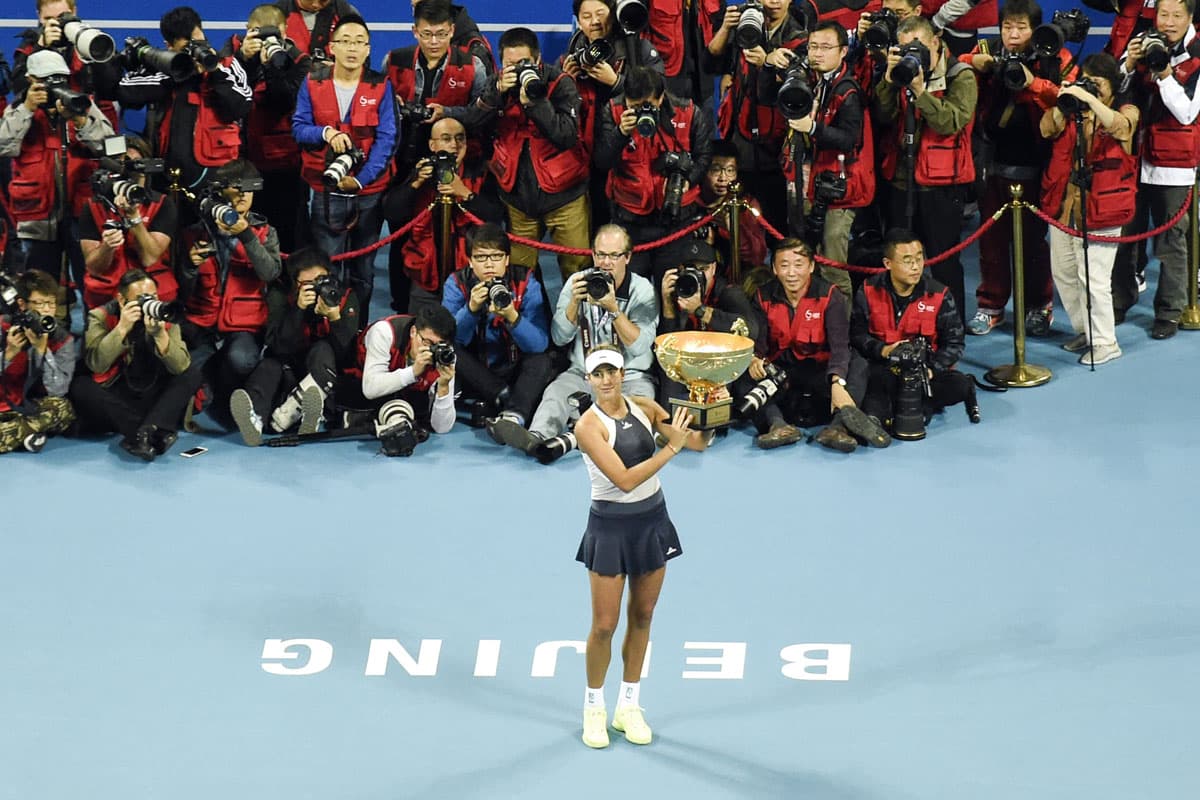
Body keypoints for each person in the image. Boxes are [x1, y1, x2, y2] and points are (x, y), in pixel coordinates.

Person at [573, 344, 709, 749]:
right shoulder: (588, 427)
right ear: (589, 380)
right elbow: (624, 480)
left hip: (652, 521)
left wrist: (710, 409)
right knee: (604, 625)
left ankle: (628, 705)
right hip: (611, 529)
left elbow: (697, 442)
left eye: (612, 371)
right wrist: (672, 448)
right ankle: (594, 707)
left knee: (644, 616)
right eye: (598, 374)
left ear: (622, 372)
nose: (607, 379)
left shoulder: (646, 407)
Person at [489, 224, 658, 464]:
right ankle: (537, 439)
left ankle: (573, 437)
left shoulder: (642, 290)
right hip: (584, 372)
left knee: (639, 416)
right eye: (600, 254)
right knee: (555, 394)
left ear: (627, 257)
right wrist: (573, 306)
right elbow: (559, 338)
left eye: (614, 255)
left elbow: (640, 346)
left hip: (629, 376)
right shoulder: (577, 282)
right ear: (592, 254)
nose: (606, 262)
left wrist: (613, 309)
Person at [961, 0, 1074, 337]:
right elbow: (955, 65)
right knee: (991, 242)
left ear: (1035, 30)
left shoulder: (1056, 58)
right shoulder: (986, 50)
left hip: (1039, 167)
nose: (1012, 35)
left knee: (1035, 246)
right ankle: (991, 306)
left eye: (1021, 28)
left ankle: (1039, 307)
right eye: (1007, 27)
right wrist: (975, 63)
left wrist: (1031, 83)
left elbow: (1066, 99)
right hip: (993, 163)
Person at [873, 15, 978, 323]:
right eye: (905, 48)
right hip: (900, 181)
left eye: (917, 46)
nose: (911, 54)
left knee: (943, 263)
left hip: (941, 187)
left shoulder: (961, 75)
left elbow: (951, 122)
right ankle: (903, 323)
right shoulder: (899, 73)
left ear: (935, 41)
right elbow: (882, 116)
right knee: (899, 260)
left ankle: (950, 327)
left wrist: (921, 93)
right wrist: (889, 81)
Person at [292, 14, 397, 314]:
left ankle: (357, 331)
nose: (352, 48)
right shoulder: (312, 83)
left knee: (364, 269)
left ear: (368, 49)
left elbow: (387, 140)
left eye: (359, 42)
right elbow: (298, 128)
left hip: (368, 192)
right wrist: (325, 132)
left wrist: (361, 180)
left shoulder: (381, 86)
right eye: (345, 41)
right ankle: (328, 329)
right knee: (328, 266)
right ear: (332, 47)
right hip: (324, 190)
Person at [1040, 54, 1139, 366]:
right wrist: (1064, 101)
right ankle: (1087, 331)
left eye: (1097, 83)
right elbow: (1046, 129)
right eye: (1088, 81)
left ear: (1111, 86)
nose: (1091, 88)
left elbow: (1122, 129)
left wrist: (1091, 100)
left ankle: (1106, 343)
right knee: (1065, 273)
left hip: (1102, 210)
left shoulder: (1126, 108)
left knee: (1093, 278)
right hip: (1065, 206)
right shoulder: (1073, 111)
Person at [746, 237, 889, 452]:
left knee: (858, 363)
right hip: (781, 373)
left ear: (811, 266)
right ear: (774, 269)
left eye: (798, 265)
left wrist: (837, 382)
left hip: (820, 372)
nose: (791, 273)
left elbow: (840, 347)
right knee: (742, 371)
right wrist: (755, 359)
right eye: (784, 266)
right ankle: (777, 425)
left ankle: (838, 428)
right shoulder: (762, 296)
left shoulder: (831, 296)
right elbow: (759, 342)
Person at [1112, 0, 1200, 339]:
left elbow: (1186, 113)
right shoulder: (1146, 41)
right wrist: (1129, 63)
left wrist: (1164, 74)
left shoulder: (1196, 54)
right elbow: (1116, 92)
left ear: (1190, 17)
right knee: (1126, 237)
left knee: (1171, 242)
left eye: (1177, 15)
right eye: (1164, 14)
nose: (1169, 22)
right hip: (1135, 160)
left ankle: (1169, 310)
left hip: (1174, 165)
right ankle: (1120, 299)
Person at [477, 27, 592, 279]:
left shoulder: (560, 83)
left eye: (524, 63)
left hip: (565, 196)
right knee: (519, 275)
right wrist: (496, 94)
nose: (518, 70)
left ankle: (576, 319)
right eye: (510, 64)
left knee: (578, 273)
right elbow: (475, 124)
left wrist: (535, 102)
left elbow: (566, 135)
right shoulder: (495, 85)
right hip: (517, 198)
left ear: (538, 60)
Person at [0, 49, 113, 289]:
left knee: (90, 281)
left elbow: (110, 145)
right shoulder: (17, 109)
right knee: (40, 285)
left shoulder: (82, 105)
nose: (53, 85)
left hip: (80, 212)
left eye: (59, 78)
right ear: (31, 79)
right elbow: (3, 146)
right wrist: (27, 109)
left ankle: (93, 325)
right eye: (46, 79)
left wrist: (80, 120)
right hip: (37, 215)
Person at [115, 6, 252, 195]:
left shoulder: (228, 65)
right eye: (185, 47)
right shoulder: (163, 67)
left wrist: (215, 74)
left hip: (220, 175)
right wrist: (179, 73)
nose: (193, 51)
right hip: (166, 177)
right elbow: (126, 90)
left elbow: (241, 106)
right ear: (169, 45)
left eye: (196, 42)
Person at [229, 248, 360, 445]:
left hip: (323, 377)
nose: (317, 288)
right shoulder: (280, 295)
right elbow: (277, 345)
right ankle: (255, 420)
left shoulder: (344, 296)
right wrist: (297, 310)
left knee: (322, 349)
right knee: (268, 367)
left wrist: (334, 318)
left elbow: (347, 356)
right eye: (308, 284)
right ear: (295, 283)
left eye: (321, 280)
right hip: (288, 366)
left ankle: (295, 416)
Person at [593, 65, 714, 279]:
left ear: (660, 98)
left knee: (669, 290)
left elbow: (704, 156)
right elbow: (601, 161)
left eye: (647, 105)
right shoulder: (612, 110)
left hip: (676, 221)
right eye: (634, 106)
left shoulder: (689, 112)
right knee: (628, 290)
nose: (641, 111)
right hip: (630, 220)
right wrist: (620, 132)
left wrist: (689, 180)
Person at [69, 268, 203, 461]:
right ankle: (148, 431)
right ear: (122, 300)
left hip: (152, 390)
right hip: (116, 392)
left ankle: (146, 430)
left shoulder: (164, 314)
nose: (149, 303)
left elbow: (180, 366)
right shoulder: (100, 316)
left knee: (192, 373)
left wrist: (160, 336)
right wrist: (121, 328)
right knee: (80, 386)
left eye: (153, 296)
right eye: (141, 299)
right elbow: (97, 364)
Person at [850, 227, 977, 429]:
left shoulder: (938, 294)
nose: (916, 267)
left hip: (923, 373)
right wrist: (882, 349)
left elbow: (954, 343)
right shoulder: (868, 290)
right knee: (868, 377)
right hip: (883, 369)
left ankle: (890, 407)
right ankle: (895, 412)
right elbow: (856, 334)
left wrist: (932, 369)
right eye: (907, 261)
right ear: (888, 264)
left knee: (959, 385)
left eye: (919, 258)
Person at [783, 20, 873, 298]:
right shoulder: (815, 79)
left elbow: (849, 139)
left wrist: (811, 128)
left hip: (842, 188)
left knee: (833, 265)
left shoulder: (848, 90)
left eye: (825, 47)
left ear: (843, 51)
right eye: (813, 47)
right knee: (813, 258)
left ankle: (843, 333)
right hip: (816, 181)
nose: (817, 54)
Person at [440, 223, 555, 437]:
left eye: (496, 256)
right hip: (476, 372)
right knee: (446, 348)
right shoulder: (457, 283)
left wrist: (512, 317)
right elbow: (452, 340)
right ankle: (502, 396)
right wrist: (471, 310)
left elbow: (540, 344)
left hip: (515, 367)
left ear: (507, 259)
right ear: (470, 261)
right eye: (481, 258)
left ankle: (512, 416)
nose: (489, 264)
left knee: (542, 360)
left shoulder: (525, 281)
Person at [180, 159, 281, 396]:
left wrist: (247, 235)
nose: (244, 195)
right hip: (202, 321)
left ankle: (223, 386)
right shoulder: (196, 233)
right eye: (238, 188)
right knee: (188, 377)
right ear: (221, 191)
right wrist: (189, 266)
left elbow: (270, 273)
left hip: (243, 323)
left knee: (242, 361)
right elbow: (181, 291)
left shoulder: (265, 232)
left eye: (249, 189)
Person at [711, 0, 811, 233]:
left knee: (776, 222)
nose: (774, 1)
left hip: (776, 145)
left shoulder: (800, 36)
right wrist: (726, 28)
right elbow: (711, 61)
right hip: (740, 139)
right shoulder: (746, 23)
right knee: (737, 222)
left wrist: (767, 62)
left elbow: (782, 92)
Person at [383, 117, 499, 313]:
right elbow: (392, 213)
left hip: (470, 276)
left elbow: (495, 217)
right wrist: (415, 184)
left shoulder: (480, 172)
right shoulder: (419, 171)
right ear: (432, 144)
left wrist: (464, 193)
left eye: (460, 138)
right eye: (446, 138)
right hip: (425, 274)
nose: (454, 145)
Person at [229, 4, 313, 253]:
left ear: (285, 32)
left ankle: (286, 288)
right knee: (249, 230)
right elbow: (229, 97)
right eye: (259, 33)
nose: (266, 41)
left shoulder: (301, 61)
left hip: (288, 165)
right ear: (247, 31)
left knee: (289, 232)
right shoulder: (234, 53)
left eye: (273, 34)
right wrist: (243, 60)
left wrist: (270, 68)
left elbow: (283, 102)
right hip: (246, 162)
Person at [656, 238, 759, 411]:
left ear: (713, 268)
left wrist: (700, 310)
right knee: (668, 370)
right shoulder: (678, 290)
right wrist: (667, 301)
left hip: (722, 364)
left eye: (703, 269)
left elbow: (751, 331)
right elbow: (668, 341)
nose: (697, 275)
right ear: (680, 269)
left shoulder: (728, 292)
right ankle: (671, 423)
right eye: (691, 269)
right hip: (689, 363)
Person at [78, 134, 178, 311]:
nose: (130, 169)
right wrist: (106, 247)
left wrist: (134, 219)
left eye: (136, 162)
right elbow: (93, 267)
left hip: (151, 288)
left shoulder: (162, 204)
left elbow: (149, 258)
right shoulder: (93, 206)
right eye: (122, 162)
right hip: (108, 292)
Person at [346, 303, 458, 452]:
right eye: (427, 342)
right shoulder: (385, 332)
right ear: (413, 332)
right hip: (358, 379)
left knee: (415, 409)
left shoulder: (446, 355)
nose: (432, 349)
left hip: (405, 392)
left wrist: (444, 387)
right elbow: (370, 388)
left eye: (440, 344)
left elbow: (442, 428)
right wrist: (413, 372)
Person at [0, 269, 76, 453]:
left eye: (51, 303)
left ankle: (16, 433)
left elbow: (58, 390)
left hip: (23, 406)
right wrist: (8, 354)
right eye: (40, 303)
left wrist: (43, 351)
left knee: (63, 409)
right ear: (22, 304)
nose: (46, 310)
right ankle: (25, 434)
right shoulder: (3, 326)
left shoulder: (62, 339)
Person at [699, 139, 768, 272]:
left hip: (738, 273)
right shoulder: (692, 201)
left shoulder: (746, 205)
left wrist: (732, 230)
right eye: (715, 170)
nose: (723, 178)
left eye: (730, 170)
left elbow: (757, 257)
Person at [274, 0, 360, 64]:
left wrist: (338, 69)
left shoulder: (345, 13)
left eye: (323, 1)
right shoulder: (276, 14)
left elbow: (361, 59)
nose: (315, 4)